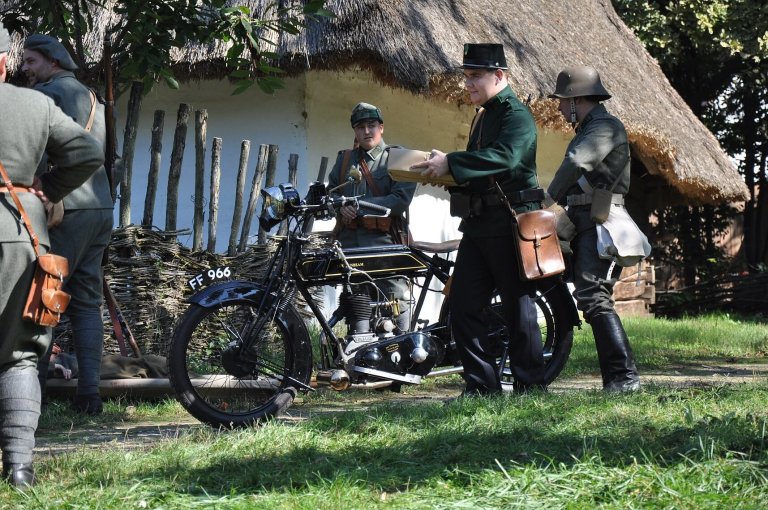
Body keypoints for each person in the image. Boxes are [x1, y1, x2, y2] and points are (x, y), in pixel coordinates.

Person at [0, 20, 104, 487]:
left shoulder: (50, 93)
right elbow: (88, 154)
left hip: (50, 228)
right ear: (3, 63)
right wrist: (44, 187)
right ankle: (19, 468)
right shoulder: (37, 104)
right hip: (24, 235)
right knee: (20, 354)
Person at [411, 43, 546, 396]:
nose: (467, 84)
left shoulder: (515, 114)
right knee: (463, 303)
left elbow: (506, 158)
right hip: (479, 224)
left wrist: (452, 163)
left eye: (475, 77)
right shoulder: (485, 113)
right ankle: (482, 387)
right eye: (466, 76)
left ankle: (531, 386)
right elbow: (480, 167)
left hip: (508, 223)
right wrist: (444, 169)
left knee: (519, 307)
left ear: (499, 76)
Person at [22, 34, 115, 414]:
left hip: (66, 208)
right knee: (87, 303)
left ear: (52, 61)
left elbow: (39, 152)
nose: (24, 69)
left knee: (45, 295)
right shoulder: (91, 96)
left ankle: (33, 396)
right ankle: (89, 397)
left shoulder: (50, 95)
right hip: (99, 208)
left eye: (30, 61)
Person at [546, 65, 640, 392]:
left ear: (576, 99)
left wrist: (548, 198)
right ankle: (616, 380)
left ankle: (624, 379)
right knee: (589, 295)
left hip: (600, 222)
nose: (558, 107)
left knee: (594, 296)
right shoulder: (591, 127)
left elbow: (577, 161)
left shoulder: (604, 127)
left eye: (562, 101)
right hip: (583, 220)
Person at [327, 103, 417, 331]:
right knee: (357, 303)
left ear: (381, 128)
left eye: (371, 125)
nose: (367, 131)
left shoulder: (399, 157)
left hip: (384, 242)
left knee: (395, 300)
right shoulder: (344, 160)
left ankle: (406, 352)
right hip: (350, 244)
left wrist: (358, 207)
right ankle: (358, 355)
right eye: (360, 127)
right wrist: (340, 208)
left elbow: (400, 199)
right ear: (355, 131)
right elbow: (332, 194)